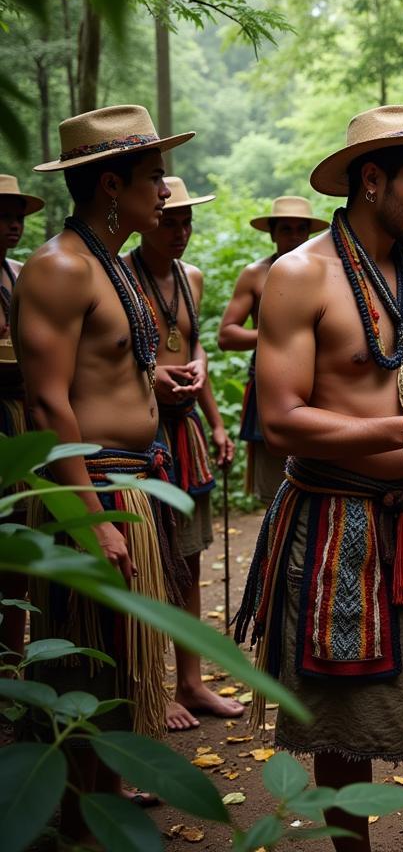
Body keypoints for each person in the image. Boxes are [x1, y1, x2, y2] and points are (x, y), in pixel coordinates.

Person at [234, 105, 403, 852]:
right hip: (337, 524)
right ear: (370, 179)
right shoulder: (299, 277)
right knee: (346, 723)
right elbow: (284, 417)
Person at [14, 105, 191, 836]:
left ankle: (98, 798)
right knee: (82, 666)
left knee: (120, 663)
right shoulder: (59, 266)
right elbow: (48, 400)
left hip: (129, 482)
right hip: (91, 494)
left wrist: (156, 388)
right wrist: (88, 518)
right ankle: (68, 819)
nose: (166, 189)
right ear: (111, 185)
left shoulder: (107, 262)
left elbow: (104, 370)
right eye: (154, 177)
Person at [128, 176, 240, 730]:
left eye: (186, 222)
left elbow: (193, 347)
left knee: (189, 562)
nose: (180, 231)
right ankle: (151, 692)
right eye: (170, 220)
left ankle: (190, 682)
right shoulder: (121, 277)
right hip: (141, 437)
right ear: (148, 218)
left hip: (186, 433)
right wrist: (154, 379)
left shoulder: (189, 278)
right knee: (149, 563)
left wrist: (216, 423)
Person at [217, 195, 328, 504]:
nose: (294, 237)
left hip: (319, 384)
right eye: (286, 229)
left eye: (300, 230)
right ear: (272, 233)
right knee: (274, 484)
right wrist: (276, 334)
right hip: (271, 380)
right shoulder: (255, 275)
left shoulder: (322, 272)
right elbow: (227, 335)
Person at [0, 174, 45, 661]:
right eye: (4, 217)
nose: (13, 225)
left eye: (18, 217)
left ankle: (14, 661)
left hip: (22, 416)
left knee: (20, 537)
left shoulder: (22, 272)